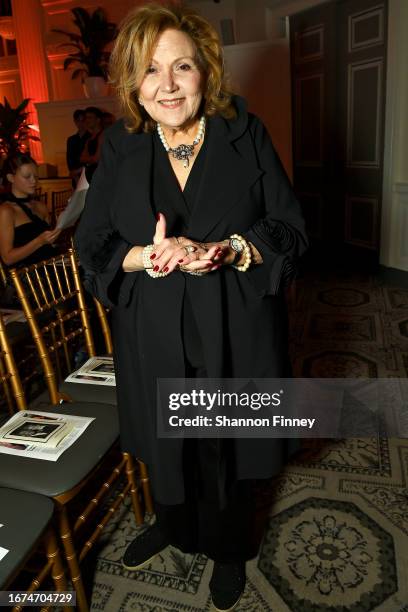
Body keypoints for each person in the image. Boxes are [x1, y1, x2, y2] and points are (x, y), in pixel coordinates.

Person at [74, 4, 308, 611]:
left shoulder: (244, 132)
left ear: (206, 72)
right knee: (167, 437)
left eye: (182, 66)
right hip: (153, 327)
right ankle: (173, 526)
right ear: (133, 81)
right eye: (151, 71)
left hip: (234, 320)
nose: (168, 84)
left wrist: (231, 250)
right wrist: (140, 258)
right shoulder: (120, 147)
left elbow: (289, 228)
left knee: (223, 441)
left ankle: (229, 548)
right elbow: (92, 242)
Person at [0, 154, 61, 307]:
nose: (34, 181)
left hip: (49, 269)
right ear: (10, 177)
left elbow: (49, 246)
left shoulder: (40, 206)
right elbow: (7, 258)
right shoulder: (6, 211)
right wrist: (39, 241)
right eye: (27, 176)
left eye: (36, 176)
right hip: (26, 281)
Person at [66, 109, 90, 187]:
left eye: (83, 121)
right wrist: (74, 175)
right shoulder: (71, 139)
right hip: (75, 176)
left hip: (89, 174)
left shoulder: (91, 137)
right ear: (75, 122)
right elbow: (69, 159)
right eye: (78, 121)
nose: (81, 124)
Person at [79, 106, 104, 182]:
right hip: (91, 176)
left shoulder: (103, 135)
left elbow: (97, 158)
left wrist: (88, 160)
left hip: (101, 176)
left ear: (98, 120)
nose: (87, 120)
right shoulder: (89, 139)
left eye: (90, 117)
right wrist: (90, 160)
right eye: (86, 118)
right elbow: (82, 158)